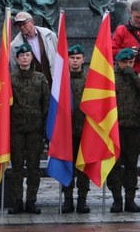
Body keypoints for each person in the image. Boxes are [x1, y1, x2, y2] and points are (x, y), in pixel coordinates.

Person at [107, 48, 140, 213]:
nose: (127, 65)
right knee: (114, 166)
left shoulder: (138, 77)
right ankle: (117, 199)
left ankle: (130, 199)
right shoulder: (109, 77)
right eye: (124, 62)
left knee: (131, 165)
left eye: (131, 62)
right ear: (118, 62)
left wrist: (132, 74)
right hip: (114, 128)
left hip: (133, 127)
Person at [8, 43, 50, 214]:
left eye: (27, 55)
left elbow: (46, 104)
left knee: (33, 167)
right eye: (21, 56)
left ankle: (31, 200)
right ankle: (18, 201)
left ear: (31, 57)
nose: (24, 58)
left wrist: (47, 129)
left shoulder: (40, 78)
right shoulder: (10, 78)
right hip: (16, 130)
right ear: (17, 59)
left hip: (35, 130)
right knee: (17, 167)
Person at [61, 45, 91, 214]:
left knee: (83, 169)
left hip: (85, 131)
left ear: (83, 60)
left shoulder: (89, 80)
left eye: (78, 58)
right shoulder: (61, 82)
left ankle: (82, 200)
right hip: (66, 132)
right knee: (67, 167)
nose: (75, 61)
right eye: (72, 58)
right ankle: (67, 200)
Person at [111, 0, 140, 81]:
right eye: (137, 17)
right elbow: (111, 51)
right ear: (131, 13)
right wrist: (127, 52)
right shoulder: (121, 30)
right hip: (126, 77)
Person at [10, 11, 57, 86]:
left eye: (24, 23)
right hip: (31, 88)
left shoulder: (50, 35)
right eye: (19, 25)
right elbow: (14, 68)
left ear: (32, 21)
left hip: (53, 82)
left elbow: (59, 56)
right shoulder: (14, 46)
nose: (22, 27)